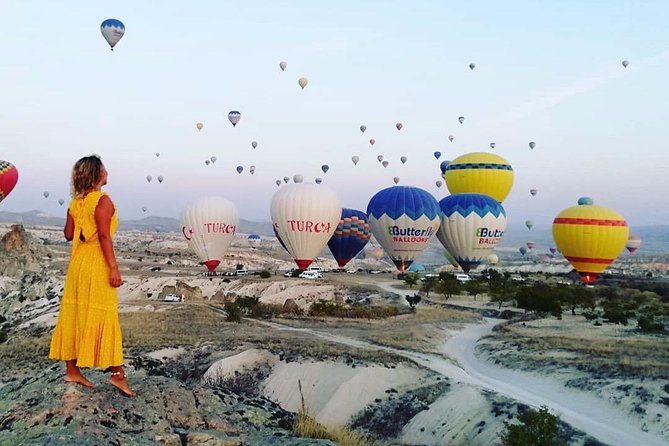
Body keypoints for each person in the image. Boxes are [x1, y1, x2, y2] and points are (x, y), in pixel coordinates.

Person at [49, 155, 135, 397]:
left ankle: (72, 369)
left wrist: (81, 224)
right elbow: (105, 237)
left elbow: (68, 234)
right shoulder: (103, 201)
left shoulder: (75, 203)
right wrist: (114, 268)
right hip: (96, 264)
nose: (108, 171)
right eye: (104, 169)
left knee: (74, 313)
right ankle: (117, 375)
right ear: (97, 174)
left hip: (77, 265)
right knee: (104, 314)